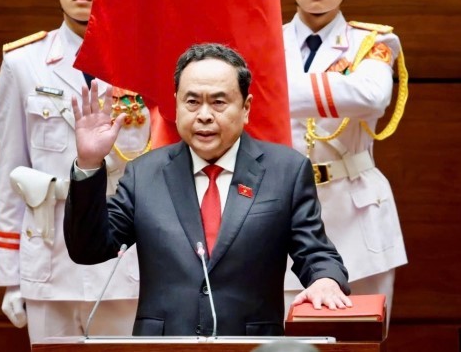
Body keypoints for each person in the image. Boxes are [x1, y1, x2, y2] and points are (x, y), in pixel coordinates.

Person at [64, 43, 352, 336]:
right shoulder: (144, 173)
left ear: (246, 107)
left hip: (249, 343)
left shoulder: (285, 171)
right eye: (192, 102)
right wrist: (88, 163)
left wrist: (325, 280)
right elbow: (88, 248)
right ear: (176, 104)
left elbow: (315, 252)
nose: (204, 115)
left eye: (218, 102)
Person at [0, 0, 152, 343]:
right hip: (48, 249)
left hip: (122, 253)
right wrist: (10, 276)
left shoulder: (144, 61)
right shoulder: (24, 63)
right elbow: (11, 171)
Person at [275, 0, 408, 322]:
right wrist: (340, 87)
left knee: (357, 339)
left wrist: (268, 87)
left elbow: (370, 97)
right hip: (281, 210)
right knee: (284, 344)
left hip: (357, 210)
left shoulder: (376, 42)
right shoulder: (260, 43)